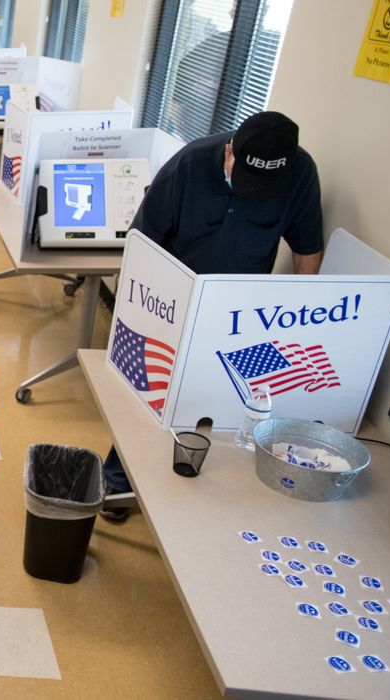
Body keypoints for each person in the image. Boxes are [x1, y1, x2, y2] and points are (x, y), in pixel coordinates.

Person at [101, 110, 324, 522]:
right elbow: (143, 242)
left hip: (244, 310)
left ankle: (207, 495)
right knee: (154, 393)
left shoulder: (300, 173)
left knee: (236, 401)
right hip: (174, 299)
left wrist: (301, 314)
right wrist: (141, 314)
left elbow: (307, 246)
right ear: (228, 153)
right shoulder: (188, 164)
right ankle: (116, 479)